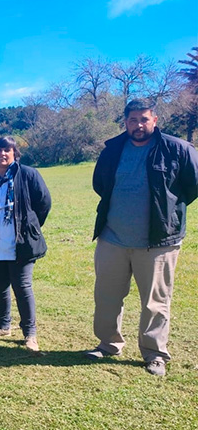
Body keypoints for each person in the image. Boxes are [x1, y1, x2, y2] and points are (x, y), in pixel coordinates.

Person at [86, 98, 198, 376]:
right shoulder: (113, 150)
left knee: (155, 301)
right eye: (133, 120)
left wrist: (168, 213)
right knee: (107, 296)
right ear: (125, 122)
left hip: (158, 242)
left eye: (144, 119)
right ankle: (108, 344)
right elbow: (100, 184)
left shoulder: (178, 149)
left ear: (155, 120)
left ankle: (154, 353)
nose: (138, 125)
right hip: (112, 238)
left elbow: (192, 187)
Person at [0, 136, 51, 352]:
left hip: (20, 243)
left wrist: (30, 225)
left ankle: (30, 333)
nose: (3, 154)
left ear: (15, 153)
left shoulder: (27, 174)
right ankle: (3, 326)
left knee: (22, 287)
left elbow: (44, 202)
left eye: (7, 150)